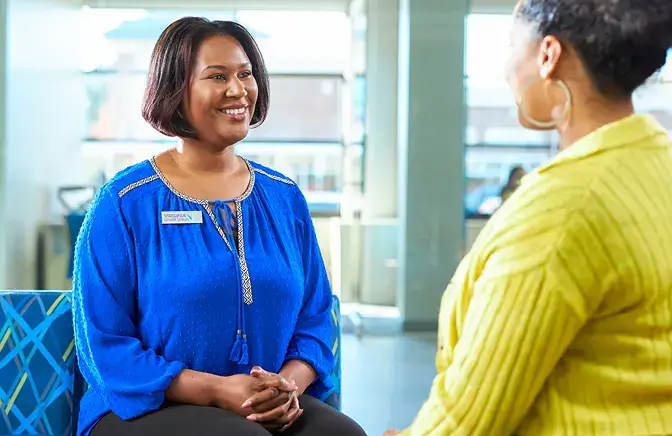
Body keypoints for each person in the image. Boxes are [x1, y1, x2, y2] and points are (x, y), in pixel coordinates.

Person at [386, 1, 672, 435]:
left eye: (511, 48)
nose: (506, 70)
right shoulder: (657, 163)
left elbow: (470, 418)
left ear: (548, 55)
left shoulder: (563, 209)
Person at [72, 17, 365, 436]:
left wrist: (287, 386)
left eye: (245, 74)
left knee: (342, 434)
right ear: (175, 88)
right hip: (143, 404)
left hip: (266, 401)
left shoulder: (284, 198)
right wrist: (216, 390)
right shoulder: (124, 203)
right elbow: (104, 345)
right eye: (218, 76)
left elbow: (316, 317)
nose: (238, 89)